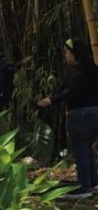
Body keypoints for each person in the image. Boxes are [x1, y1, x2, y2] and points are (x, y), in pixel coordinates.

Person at [38, 38, 98, 199]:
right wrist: (52, 96)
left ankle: (84, 187)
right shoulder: (92, 68)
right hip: (94, 114)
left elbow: (69, 91)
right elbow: (64, 88)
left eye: (66, 52)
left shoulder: (79, 73)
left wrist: (50, 100)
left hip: (80, 115)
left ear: (73, 53)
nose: (65, 56)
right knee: (87, 150)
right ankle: (93, 183)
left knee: (80, 151)